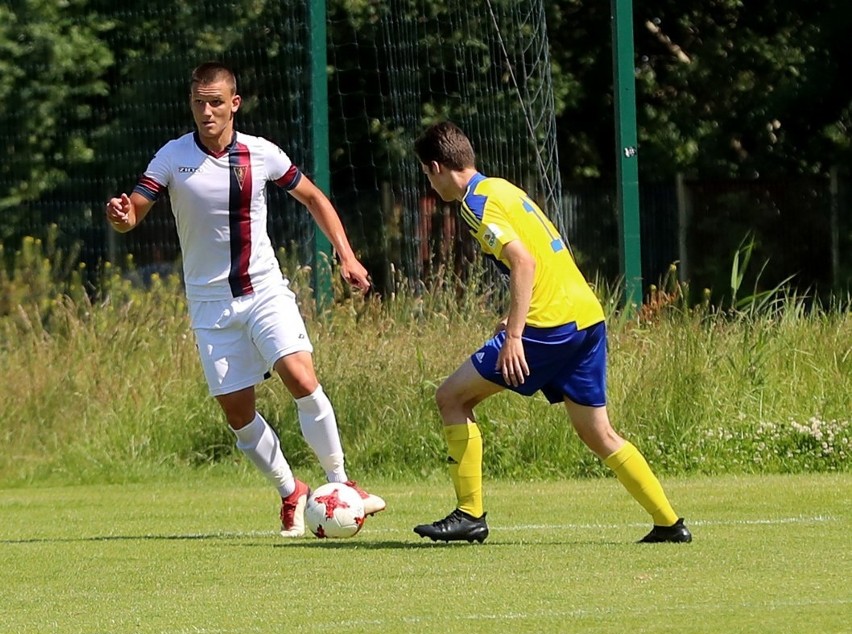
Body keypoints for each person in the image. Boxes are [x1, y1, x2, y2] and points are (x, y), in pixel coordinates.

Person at [105, 62, 385, 537]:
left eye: (216, 101)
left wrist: (348, 257)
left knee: (300, 376)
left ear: (234, 103)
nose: (206, 110)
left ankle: (341, 483)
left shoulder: (261, 154)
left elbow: (314, 198)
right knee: (238, 416)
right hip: (210, 305)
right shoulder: (172, 157)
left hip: (264, 290)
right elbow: (134, 212)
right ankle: (291, 491)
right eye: (199, 102)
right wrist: (120, 216)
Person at [411, 122, 691, 544]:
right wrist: (515, 317)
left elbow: (523, 261)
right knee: (599, 432)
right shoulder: (503, 189)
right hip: (585, 317)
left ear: (435, 167)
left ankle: (469, 514)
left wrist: (516, 335)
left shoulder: (474, 203)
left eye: (426, 174)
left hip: (550, 326)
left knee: (451, 397)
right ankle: (670, 524)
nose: (429, 184)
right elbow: (547, 250)